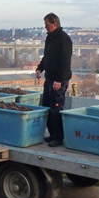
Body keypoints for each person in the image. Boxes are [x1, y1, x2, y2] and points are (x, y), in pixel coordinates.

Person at [35, 12, 73, 147]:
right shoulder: (50, 38)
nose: (45, 27)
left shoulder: (64, 39)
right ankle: (52, 135)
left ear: (54, 23)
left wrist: (59, 79)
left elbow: (65, 61)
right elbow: (47, 57)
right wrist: (40, 68)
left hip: (59, 80)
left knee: (56, 108)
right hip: (49, 78)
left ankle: (58, 137)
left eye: (47, 24)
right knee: (46, 106)